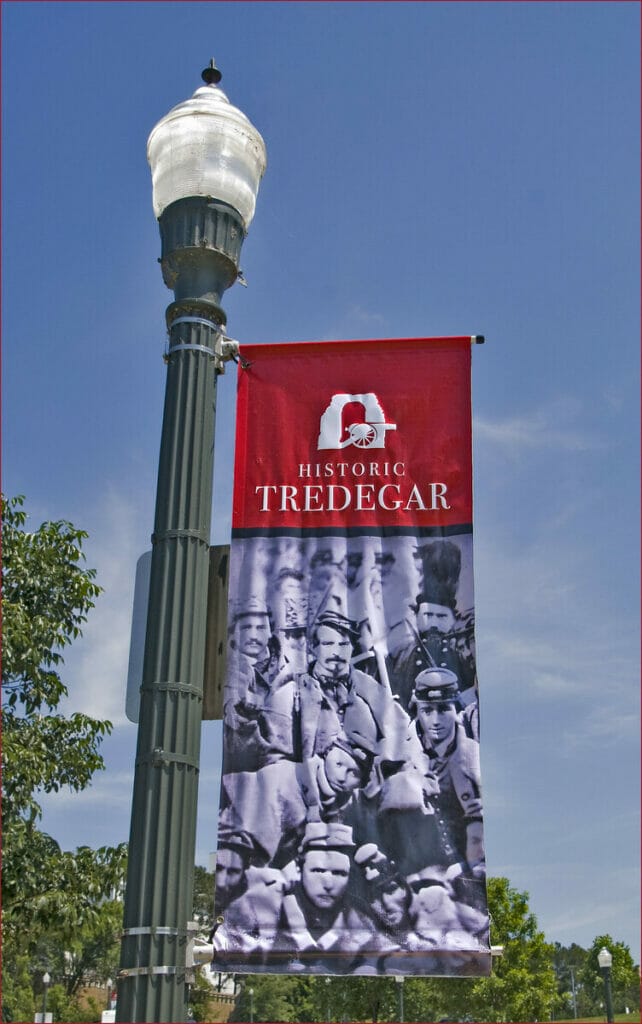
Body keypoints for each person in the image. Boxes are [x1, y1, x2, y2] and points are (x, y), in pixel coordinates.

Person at [261, 610, 421, 768]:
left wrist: (380, 754)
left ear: (352, 648)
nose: (336, 652)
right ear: (313, 648)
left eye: (344, 644)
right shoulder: (292, 691)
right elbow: (275, 755)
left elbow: (402, 732)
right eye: (328, 644)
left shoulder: (368, 687)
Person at [409, 668, 484, 871]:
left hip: (466, 869)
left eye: (443, 709)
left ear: (456, 710)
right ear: (417, 710)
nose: (435, 721)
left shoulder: (473, 756)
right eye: (427, 710)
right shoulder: (398, 756)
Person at [387, 540, 476, 711]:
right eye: (428, 615)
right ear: (417, 617)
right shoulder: (402, 655)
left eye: (441, 616)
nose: (433, 623)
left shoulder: (462, 656)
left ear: (453, 619)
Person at [222, 597, 276, 773]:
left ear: (270, 631)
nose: (253, 635)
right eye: (246, 628)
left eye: (260, 627)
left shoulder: (292, 668)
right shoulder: (230, 673)